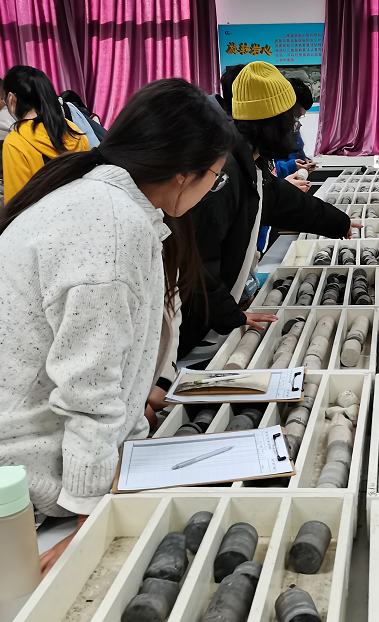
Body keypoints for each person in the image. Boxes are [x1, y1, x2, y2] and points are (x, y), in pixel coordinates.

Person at [0, 79, 238, 573]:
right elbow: (90, 393)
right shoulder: (110, 227)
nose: (210, 190)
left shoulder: (105, 202)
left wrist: (145, 398)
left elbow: (138, 335)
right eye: (214, 178)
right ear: (182, 175)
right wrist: (94, 523)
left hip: (58, 463)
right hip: (34, 484)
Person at [179, 62, 356, 359]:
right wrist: (228, 315)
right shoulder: (223, 171)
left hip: (207, 321)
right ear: (271, 123)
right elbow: (197, 260)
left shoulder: (247, 160)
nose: (295, 130)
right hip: (189, 332)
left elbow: (281, 199)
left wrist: (339, 222)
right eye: (292, 121)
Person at [2, 66, 90, 203]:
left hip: (44, 215)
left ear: (11, 98)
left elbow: (16, 203)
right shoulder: (71, 129)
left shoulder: (16, 142)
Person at [274, 78, 315, 180]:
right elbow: (267, 170)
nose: (296, 122)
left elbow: (299, 156)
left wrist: (305, 162)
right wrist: (291, 166)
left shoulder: (293, 132)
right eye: (296, 116)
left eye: (299, 117)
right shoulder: (267, 131)